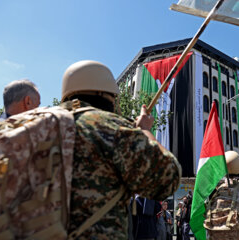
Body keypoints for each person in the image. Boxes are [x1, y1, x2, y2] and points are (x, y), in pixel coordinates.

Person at [60, 60, 182, 239]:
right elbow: (167, 179)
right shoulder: (110, 127)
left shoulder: (29, 126)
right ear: (107, 95)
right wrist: (145, 131)